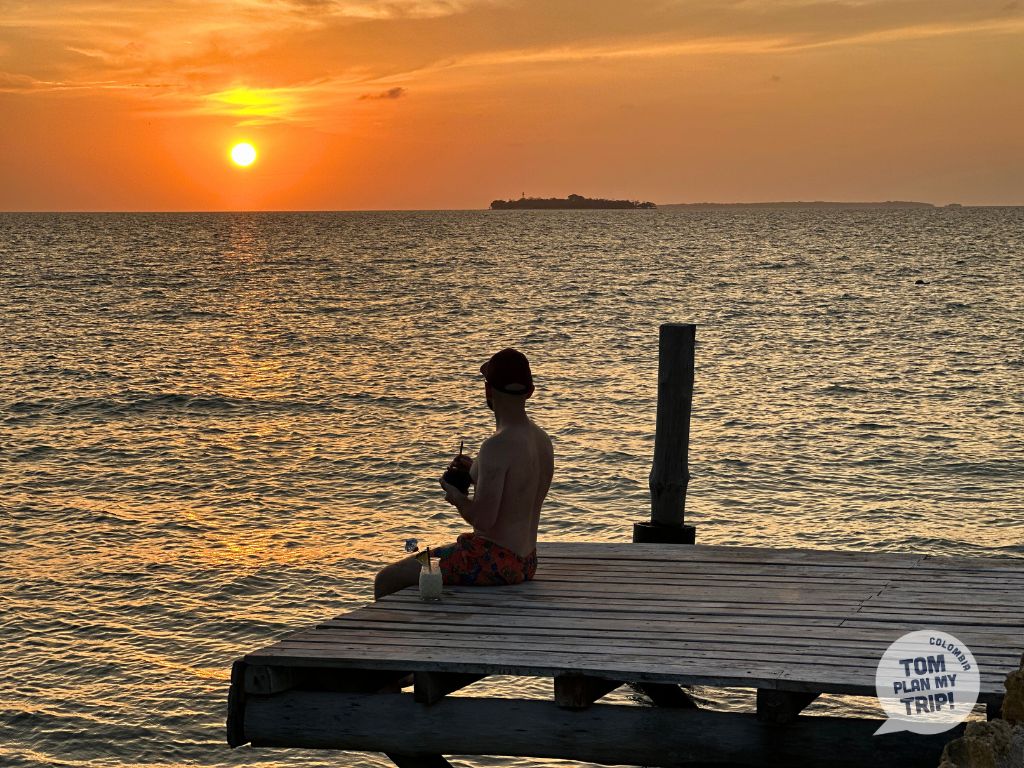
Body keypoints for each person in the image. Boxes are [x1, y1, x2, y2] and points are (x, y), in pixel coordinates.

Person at [374, 348, 553, 600]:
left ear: (488, 390)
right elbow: (517, 491)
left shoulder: (496, 446)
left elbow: (484, 521)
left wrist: (456, 496)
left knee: (387, 578)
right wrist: (476, 471)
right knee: (430, 559)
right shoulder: (542, 440)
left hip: (490, 560)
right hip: (526, 561)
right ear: (530, 391)